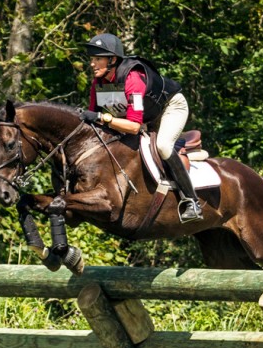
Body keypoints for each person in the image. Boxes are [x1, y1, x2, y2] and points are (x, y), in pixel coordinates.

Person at [80, 33, 203, 223]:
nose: (92, 64)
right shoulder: (99, 83)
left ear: (112, 60)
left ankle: (191, 201)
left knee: (162, 145)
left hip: (170, 107)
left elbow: (134, 126)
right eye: (92, 59)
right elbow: (94, 121)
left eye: (98, 59)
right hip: (146, 113)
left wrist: (103, 117)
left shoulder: (133, 79)